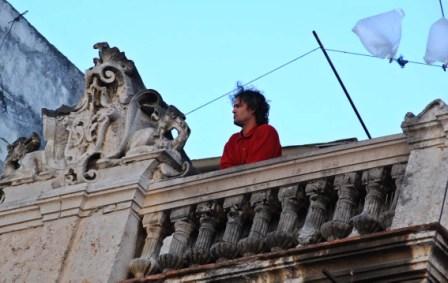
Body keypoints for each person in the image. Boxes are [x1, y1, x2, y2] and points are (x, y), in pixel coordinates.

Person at [220, 87, 281, 169]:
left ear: (252, 108)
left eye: (238, 106)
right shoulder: (233, 141)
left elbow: (255, 168)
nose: (233, 110)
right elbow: (225, 171)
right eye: (234, 106)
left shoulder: (266, 131)